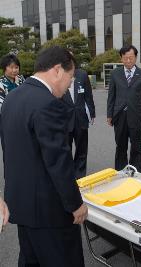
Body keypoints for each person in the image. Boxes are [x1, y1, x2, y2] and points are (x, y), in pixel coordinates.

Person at [1, 46, 87, 266]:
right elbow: (59, 162)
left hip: (22, 205)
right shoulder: (48, 103)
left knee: (30, 259)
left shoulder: (12, 98)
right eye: (70, 77)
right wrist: (76, 204)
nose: (69, 85)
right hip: (50, 211)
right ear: (57, 70)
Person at [107, 45, 141, 172]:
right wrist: (110, 115)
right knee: (120, 146)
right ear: (121, 58)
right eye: (125, 58)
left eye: (131, 58)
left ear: (135, 57)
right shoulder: (115, 74)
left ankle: (136, 173)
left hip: (136, 116)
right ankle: (120, 172)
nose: (128, 61)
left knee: (136, 147)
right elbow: (111, 96)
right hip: (119, 116)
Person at [62, 54, 96, 179]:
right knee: (66, 148)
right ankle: (68, 174)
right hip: (65, 119)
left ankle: (80, 174)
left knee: (82, 148)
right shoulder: (60, 74)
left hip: (81, 117)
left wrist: (92, 112)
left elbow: (88, 94)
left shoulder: (82, 74)